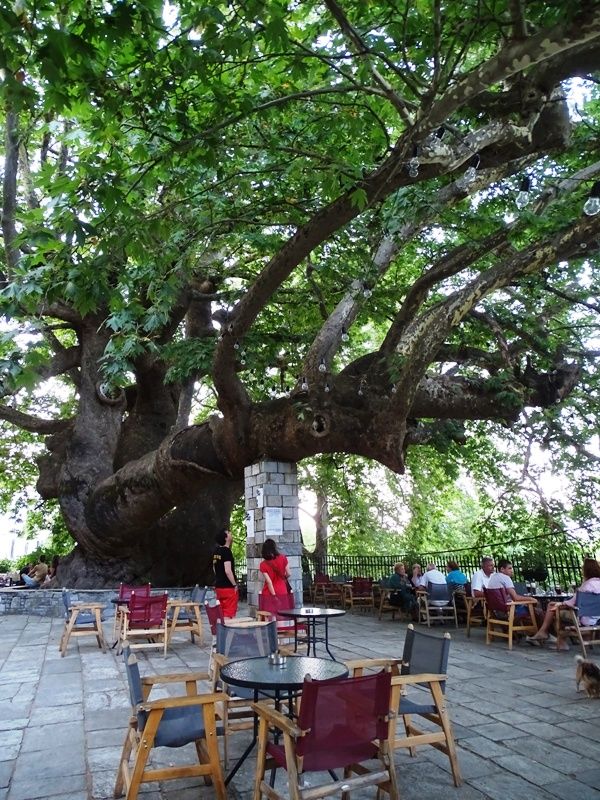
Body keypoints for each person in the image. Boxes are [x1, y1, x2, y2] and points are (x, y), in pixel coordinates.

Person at [526, 558, 600, 651]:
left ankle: (550, 636)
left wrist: (560, 603)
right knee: (554, 607)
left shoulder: (586, 586)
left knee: (553, 608)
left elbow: (573, 603)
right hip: (596, 618)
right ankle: (547, 634)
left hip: (582, 617)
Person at [213, 529, 238, 617]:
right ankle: (227, 630)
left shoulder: (216, 551)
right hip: (228, 587)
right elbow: (228, 570)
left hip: (218, 587)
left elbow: (214, 569)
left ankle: (220, 630)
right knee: (229, 613)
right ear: (226, 538)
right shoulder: (227, 552)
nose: (231, 534)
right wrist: (234, 584)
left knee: (221, 612)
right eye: (228, 533)